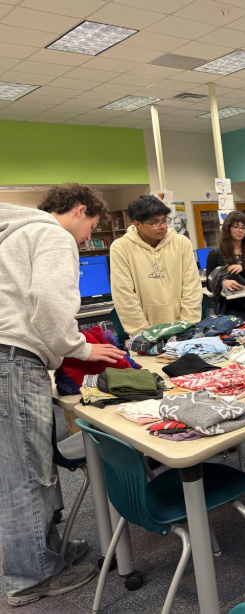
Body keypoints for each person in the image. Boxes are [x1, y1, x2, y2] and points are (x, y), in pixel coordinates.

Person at [0, 184, 126, 607]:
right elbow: (51, 306)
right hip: (15, 362)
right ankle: (31, 576)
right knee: (25, 474)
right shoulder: (52, 235)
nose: (88, 237)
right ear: (79, 210)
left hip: (9, 360)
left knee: (24, 467)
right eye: (90, 227)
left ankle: (43, 555)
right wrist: (83, 348)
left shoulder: (16, 234)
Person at [110, 195, 202, 337]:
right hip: (144, 334)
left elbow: (192, 286)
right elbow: (123, 294)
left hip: (184, 330)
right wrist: (142, 333)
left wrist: (186, 325)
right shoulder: (121, 247)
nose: (163, 226)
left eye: (164, 220)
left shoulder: (182, 243)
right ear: (137, 224)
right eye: (154, 222)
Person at [205, 211, 245, 321]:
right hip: (227, 308)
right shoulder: (215, 253)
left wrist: (243, 268)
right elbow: (209, 283)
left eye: (243, 227)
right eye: (236, 227)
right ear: (228, 228)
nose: (240, 230)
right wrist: (222, 282)